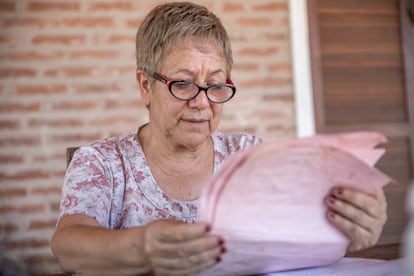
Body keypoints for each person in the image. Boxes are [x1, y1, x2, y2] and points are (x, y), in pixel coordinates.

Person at [51, 2, 388, 275]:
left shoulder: (247, 153)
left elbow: (290, 239)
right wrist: (141, 249)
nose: (202, 102)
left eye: (215, 85)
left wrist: (349, 229)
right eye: (182, 83)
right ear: (145, 86)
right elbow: (67, 246)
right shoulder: (103, 162)